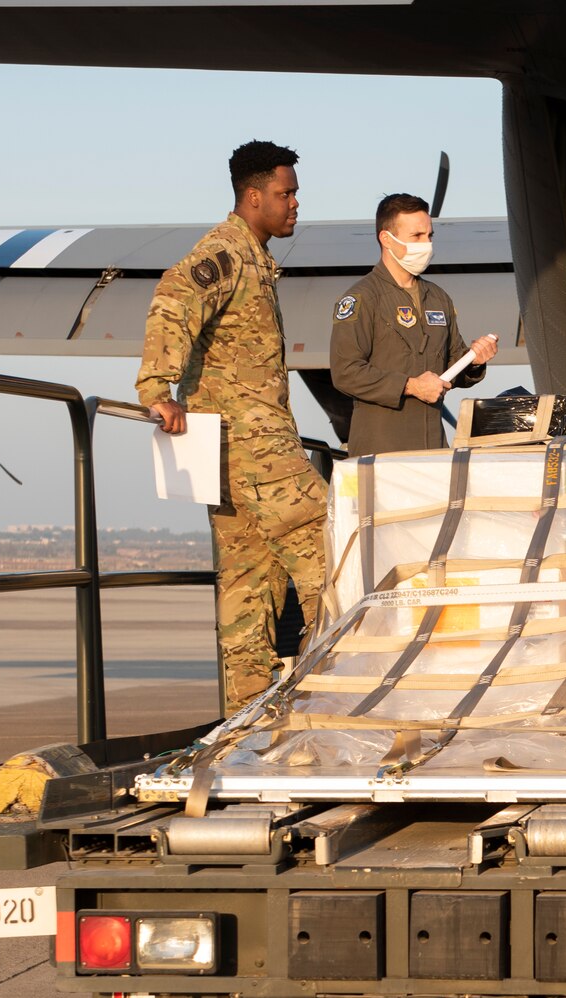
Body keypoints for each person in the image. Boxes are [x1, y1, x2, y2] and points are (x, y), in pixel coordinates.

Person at [136, 140, 328, 716]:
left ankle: (243, 730)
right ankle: (330, 707)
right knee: (337, 557)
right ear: (253, 197)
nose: (295, 203)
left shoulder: (255, 259)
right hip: (258, 453)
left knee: (247, 597)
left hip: (230, 459)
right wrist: (157, 390)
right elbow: (172, 300)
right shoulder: (224, 254)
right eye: (284, 193)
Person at [329, 192, 498, 454]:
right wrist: (411, 386)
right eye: (417, 237)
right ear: (386, 239)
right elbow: (345, 372)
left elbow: (454, 367)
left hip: (433, 448)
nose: (426, 244)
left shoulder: (438, 298)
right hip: (380, 450)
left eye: (429, 236)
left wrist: (474, 361)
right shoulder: (361, 298)